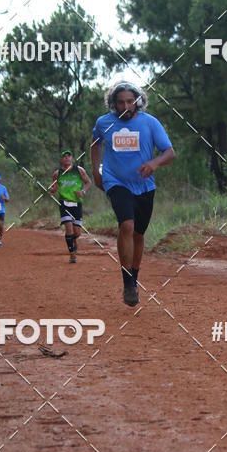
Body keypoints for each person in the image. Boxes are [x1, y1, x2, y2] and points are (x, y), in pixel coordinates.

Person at [91, 79, 175, 306]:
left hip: (144, 186)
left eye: (130, 101)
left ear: (138, 101)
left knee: (138, 234)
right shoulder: (104, 123)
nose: (126, 106)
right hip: (115, 181)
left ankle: (134, 279)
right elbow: (95, 144)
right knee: (126, 225)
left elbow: (169, 152)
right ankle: (127, 283)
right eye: (120, 103)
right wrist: (97, 172)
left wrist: (155, 163)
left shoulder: (150, 123)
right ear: (113, 103)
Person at [50, 150, 91, 263]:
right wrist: (52, 190)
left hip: (77, 203)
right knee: (68, 228)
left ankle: (73, 241)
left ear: (72, 158)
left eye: (69, 156)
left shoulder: (79, 170)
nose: (67, 158)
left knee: (76, 233)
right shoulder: (57, 174)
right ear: (61, 159)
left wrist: (83, 192)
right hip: (64, 203)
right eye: (64, 156)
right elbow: (54, 188)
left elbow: (88, 182)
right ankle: (72, 254)